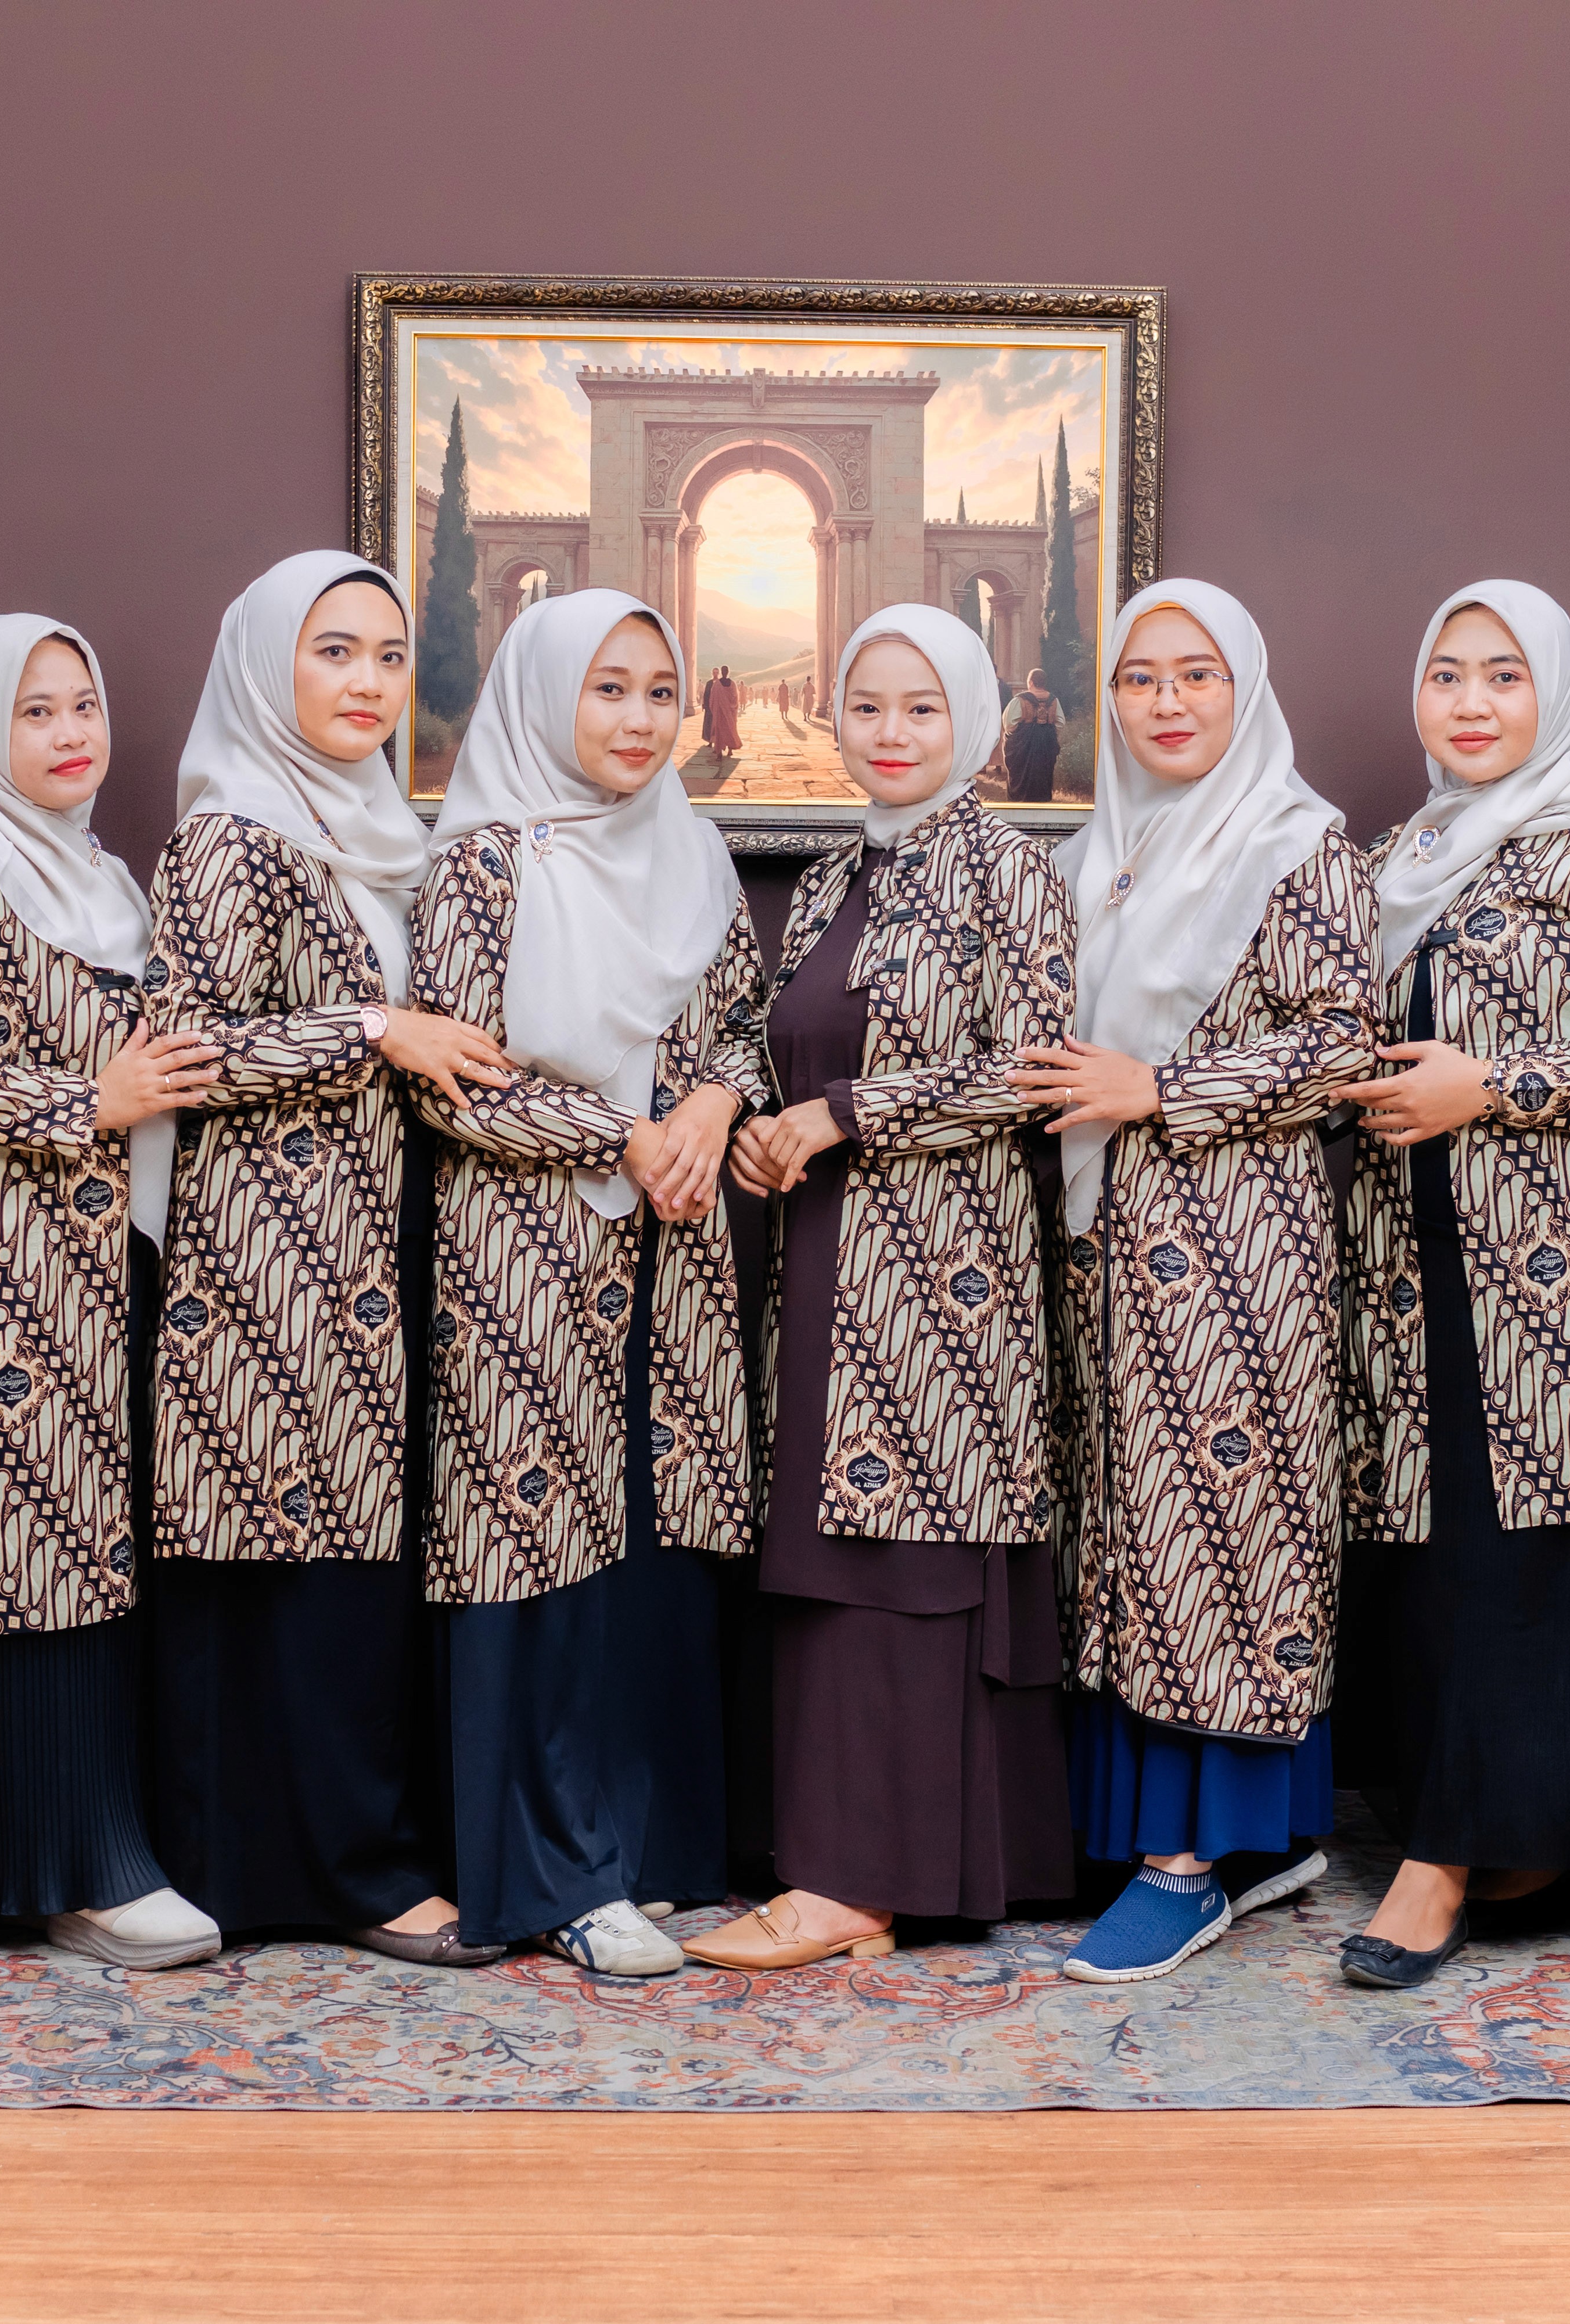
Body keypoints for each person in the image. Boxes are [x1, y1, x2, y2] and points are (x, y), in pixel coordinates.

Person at [1332, 580, 1570, 1989]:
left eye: (1504, 675)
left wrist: (1489, 1085)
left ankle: (1446, 1862)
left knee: (1541, 1557)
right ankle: (1521, 1839)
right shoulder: (1403, 852)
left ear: (1555, 690)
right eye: (1448, 674)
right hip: (1413, 1253)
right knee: (1453, 1555)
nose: (1474, 702)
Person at [1007, 580, 1384, 1982]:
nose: (1167, 703)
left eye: (1199, 676)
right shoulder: (1101, 855)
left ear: (1248, 692)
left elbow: (1342, 1045)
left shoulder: (1297, 844)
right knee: (1131, 1533)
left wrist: (1159, 1085)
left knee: (1216, 1531)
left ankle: (1186, 1865)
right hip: (1111, 1243)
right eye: (1141, 678)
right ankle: (1262, 1831)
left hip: (1237, 1242)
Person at [693, 605, 1078, 1972]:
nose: (893, 733)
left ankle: (865, 1877)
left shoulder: (1007, 866)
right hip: (823, 1259)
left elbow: (1034, 1067)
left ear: (972, 719)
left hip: (941, 1281)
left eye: (923, 707)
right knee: (824, 1550)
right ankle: (840, 1850)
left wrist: (848, 1111)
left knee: (899, 1557)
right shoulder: (832, 876)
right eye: (869, 706)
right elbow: (762, 1027)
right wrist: (747, 1103)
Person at [140, 553, 509, 1966]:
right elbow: (185, 1048)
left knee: (339, 1550)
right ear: (263, 672)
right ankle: (335, 1872)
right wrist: (372, 1026)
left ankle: (310, 1860)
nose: (363, 685)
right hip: (261, 1253)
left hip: (361, 1235)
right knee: (280, 1557)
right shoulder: (230, 834)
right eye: (332, 653)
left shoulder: (374, 830)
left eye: (384, 658)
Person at [411, 589, 770, 1977]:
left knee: (654, 1538)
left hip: (668, 1247)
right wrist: (614, 1129)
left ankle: (656, 1845)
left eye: (657, 691)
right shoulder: (482, 865)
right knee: (537, 1556)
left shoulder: (692, 851)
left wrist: (713, 1102)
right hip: (522, 1256)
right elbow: (460, 1085)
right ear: (545, 697)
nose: (636, 718)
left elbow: (734, 1019)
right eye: (606, 688)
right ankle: (554, 1869)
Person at [0, 615, 225, 1968]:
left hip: (87, 1263)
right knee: (14, 1559)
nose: (73, 733)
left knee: (81, 1553)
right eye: (36, 713)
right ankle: (58, 1869)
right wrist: (97, 1097)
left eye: (85, 704)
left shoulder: (94, 878)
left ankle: (81, 1852)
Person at [999, 666, 1062, 802]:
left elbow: (1009, 724)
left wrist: (1022, 735)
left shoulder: (1020, 700)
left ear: (1031, 683)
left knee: (1021, 777)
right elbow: (1060, 723)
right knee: (1043, 775)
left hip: (1023, 749)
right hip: (1046, 748)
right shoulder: (1054, 701)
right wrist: (1047, 733)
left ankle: (1020, 802)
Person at [702, 664, 742, 759]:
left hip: (720, 713)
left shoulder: (717, 684)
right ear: (727, 672)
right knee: (730, 730)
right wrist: (732, 708)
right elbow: (736, 700)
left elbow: (713, 699)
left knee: (719, 732)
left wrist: (714, 708)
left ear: (722, 672)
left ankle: (719, 754)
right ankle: (730, 750)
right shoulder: (732, 684)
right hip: (729, 714)